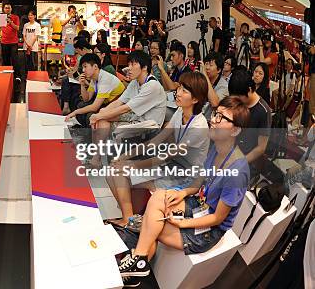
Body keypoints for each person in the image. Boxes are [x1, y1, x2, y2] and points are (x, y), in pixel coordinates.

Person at [118, 96, 250, 284]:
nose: (213, 120)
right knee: (159, 198)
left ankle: (138, 261)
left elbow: (218, 218)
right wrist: (182, 192)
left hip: (210, 229)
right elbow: (199, 181)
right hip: (198, 204)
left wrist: (183, 224)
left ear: (236, 130)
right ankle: (139, 260)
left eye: (221, 118)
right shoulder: (217, 148)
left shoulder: (237, 172)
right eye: (215, 114)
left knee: (152, 225)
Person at [105, 72, 210, 227]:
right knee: (110, 172)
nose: (178, 93)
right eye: (179, 88)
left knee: (119, 173)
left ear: (195, 99)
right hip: (171, 167)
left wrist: (130, 165)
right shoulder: (181, 112)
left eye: (184, 91)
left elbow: (166, 156)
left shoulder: (199, 126)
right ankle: (130, 218)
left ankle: (129, 220)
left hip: (185, 177)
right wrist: (125, 156)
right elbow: (156, 140)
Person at [89, 51, 166, 129]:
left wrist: (99, 116)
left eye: (133, 64)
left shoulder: (152, 85)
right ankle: (100, 141)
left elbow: (126, 108)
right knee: (101, 117)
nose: (129, 68)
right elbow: (119, 102)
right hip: (136, 118)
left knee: (101, 118)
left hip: (148, 126)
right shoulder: (135, 81)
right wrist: (102, 113)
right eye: (129, 64)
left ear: (145, 67)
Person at [65, 53, 125, 127]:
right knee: (81, 105)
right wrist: (82, 84)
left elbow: (95, 107)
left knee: (88, 115)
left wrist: (75, 112)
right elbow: (86, 99)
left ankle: (87, 134)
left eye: (85, 67)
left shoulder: (105, 79)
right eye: (83, 67)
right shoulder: (94, 78)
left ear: (95, 66)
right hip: (106, 104)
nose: (83, 70)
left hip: (116, 107)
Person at [228, 68, 272, 167]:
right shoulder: (237, 102)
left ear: (249, 90)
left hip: (246, 161)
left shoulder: (263, 111)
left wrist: (240, 163)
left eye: (239, 97)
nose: (236, 101)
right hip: (230, 152)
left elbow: (261, 147)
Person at [60, 38, 92, 114]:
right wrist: (71, 72)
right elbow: (75, 68)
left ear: (83, 49)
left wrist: (73, 74)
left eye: (78, 50)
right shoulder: (81, 56)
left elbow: (87, 74)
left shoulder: (89, 57)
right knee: (65, 79)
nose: (76, 52)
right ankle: (65, 106)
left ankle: (66, 106)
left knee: (66, 81)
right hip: (80, 77)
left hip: (85, 80)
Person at [200, 52, 229, 119]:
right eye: (206, 64)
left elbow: (215, 103)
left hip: (212, 121)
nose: (207, 68)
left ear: (218, 70)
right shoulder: (203, 80)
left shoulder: (224, 86)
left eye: (210, 65)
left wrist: (205, 76)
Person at [0, 2, 20, 67]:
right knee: (5, 60)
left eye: (9, 8)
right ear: (4, 9)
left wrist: (11, 22)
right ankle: (7, 75)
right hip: (4, 42)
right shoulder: (1, 17)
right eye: (6, 8)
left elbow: (17, 28)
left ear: (11, 9)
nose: (7, 9)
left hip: (14, 42)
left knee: (15, 60)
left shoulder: (15, 17)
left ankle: (16, 76)